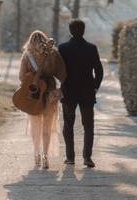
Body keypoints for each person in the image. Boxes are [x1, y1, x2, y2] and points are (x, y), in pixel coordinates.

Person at [57, 19, 104, 168]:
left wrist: (60, 85)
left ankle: (70, 157)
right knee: (88, 125)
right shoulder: (91, 48)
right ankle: (87, 158)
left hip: (68, 91)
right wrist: (95, 87)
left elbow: (57, 70)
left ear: (70, 31)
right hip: (87, 92)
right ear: (83, 30)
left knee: (68, 125)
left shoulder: (63, 48)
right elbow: (99, 71)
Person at [19, 29, 67, 169]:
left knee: (35, 128)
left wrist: (33, 78)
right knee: (47, 128)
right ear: (45, 40)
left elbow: (22, 77)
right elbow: (63, 76)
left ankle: (36, 155)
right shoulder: (53, 54)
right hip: (50, 95)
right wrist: (59, 90)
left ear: (30, 41)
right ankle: (45, 156)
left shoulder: (26, 55)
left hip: (33, 96)